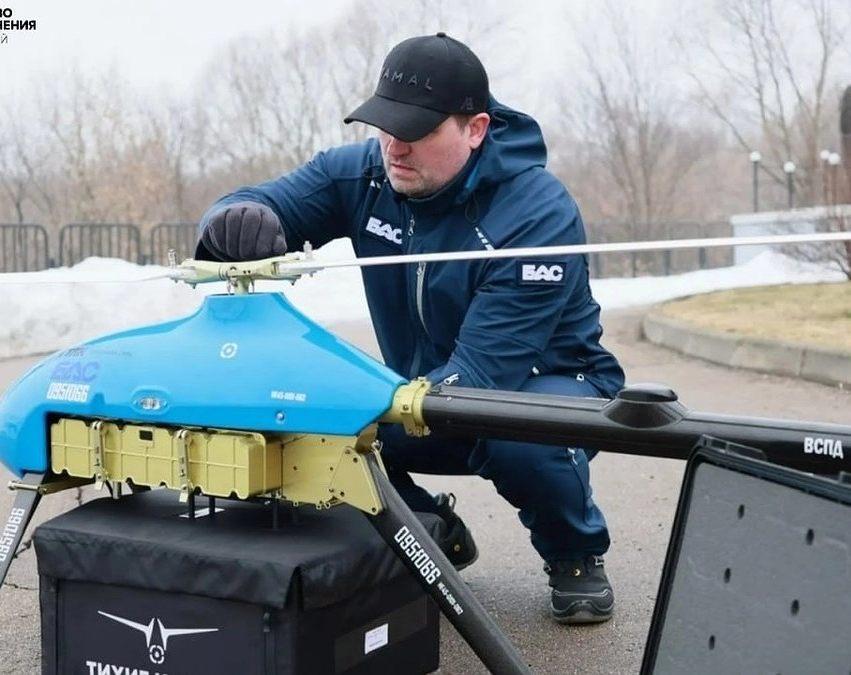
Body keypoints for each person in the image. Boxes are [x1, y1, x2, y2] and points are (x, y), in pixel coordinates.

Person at [195, 32, 626, 624]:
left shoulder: (537, 210)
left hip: (548, 388)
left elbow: (482, 377)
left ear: (474, 130)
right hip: (424, 384)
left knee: (519, 437)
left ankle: (574, 551)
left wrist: (379, 406)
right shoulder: (364, 173)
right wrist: (234, 222)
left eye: (416, 132)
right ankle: (429, 531)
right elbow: (255, 202)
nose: (394, 147)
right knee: (304, 417)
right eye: (384, 125)